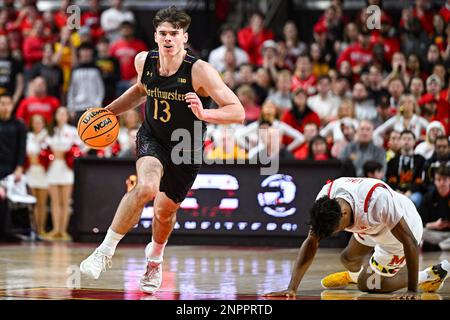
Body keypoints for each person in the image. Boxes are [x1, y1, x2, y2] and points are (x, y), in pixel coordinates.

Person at [79, 6, 244, 294]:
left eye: (174, 34)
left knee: (164, 214)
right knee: (146, 188)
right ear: (156, 36)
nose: (168, 39)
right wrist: (108, 112)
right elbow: (140, 91)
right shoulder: (144, 60)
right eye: (163, 33)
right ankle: (104, 251)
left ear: (184, 37)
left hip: (186, 147)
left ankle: (154, 259)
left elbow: (237, 112)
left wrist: (206, 115)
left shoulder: (200, 70)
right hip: (152, 137)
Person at [264, 177, 450, 299]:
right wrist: (292, 288)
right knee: (347, 258)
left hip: (399, 233)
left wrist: (411, 291)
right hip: (370, 226)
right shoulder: (325, 198)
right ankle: (360, 273)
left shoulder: (377, 201)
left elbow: (410, 242)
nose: (331, 235)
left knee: (368, 286)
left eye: (334, 231)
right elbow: (311, 241)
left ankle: (428, 275)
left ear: (344, 214)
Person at [419, 166, 450, 251]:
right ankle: (443, 246)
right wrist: (435, 224)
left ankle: (437, 247)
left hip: (449, 234)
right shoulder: (428, 197)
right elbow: (422, 223)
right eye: (439, 179)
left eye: (445, 179)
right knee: (419, 232)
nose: (442, 183)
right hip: (434, 234)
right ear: (435, 181)